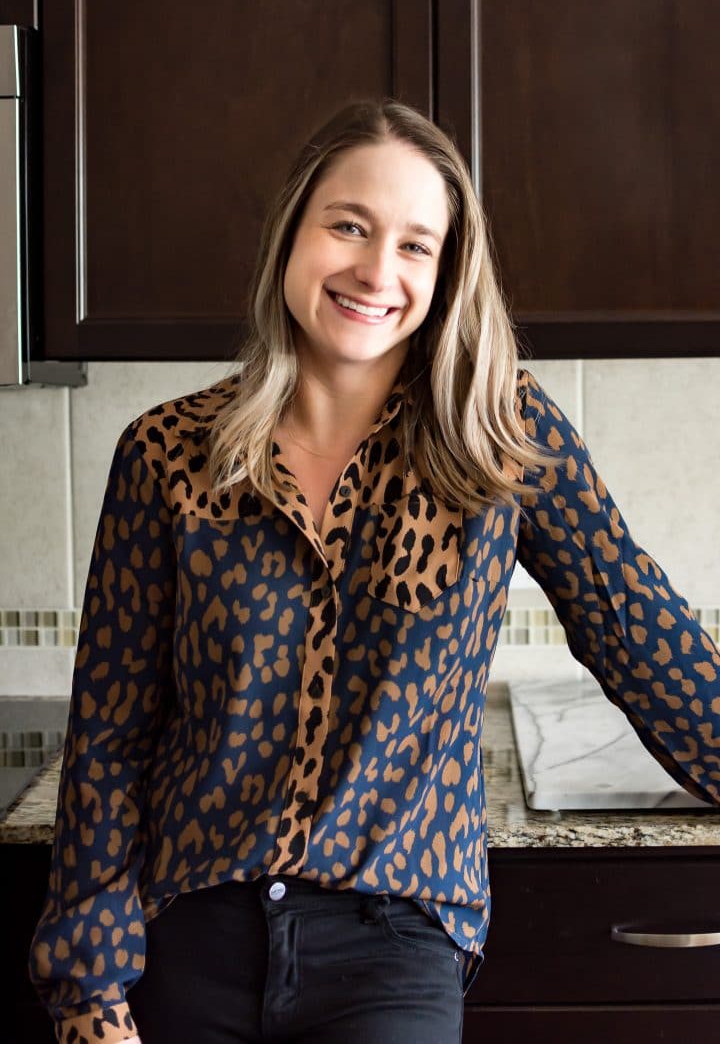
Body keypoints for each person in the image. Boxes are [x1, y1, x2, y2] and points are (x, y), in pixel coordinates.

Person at [29, 99, 720, 1044]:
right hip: (190, 927)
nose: (375, 270)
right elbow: (110, 738)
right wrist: (91, 996)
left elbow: (641, 635)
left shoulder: (499, 436)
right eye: (349, 226)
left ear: (445, 272)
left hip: (393, 941)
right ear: (293, 237)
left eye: (414, 245)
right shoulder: (165, 455)